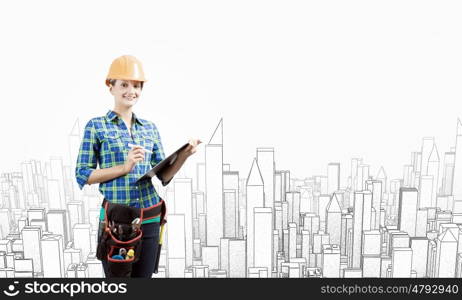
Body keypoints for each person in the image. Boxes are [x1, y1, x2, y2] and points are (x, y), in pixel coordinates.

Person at [75, 55, 201, 277]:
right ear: (110, 86)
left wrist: (184, 156)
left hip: (151, 215)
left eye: (136, 85)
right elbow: (83, 174)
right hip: (117, 220)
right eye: (124, 84)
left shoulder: (149, 128)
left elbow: (164, 175)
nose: (131, 90)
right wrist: (124, 167)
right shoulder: (96, 126)